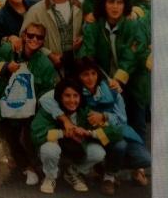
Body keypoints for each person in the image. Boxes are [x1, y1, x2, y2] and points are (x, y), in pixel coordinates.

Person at [39, 58, 151, 195]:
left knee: (144, 159)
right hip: (90, 135)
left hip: (112, 131)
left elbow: (122, 120)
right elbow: (46, 98)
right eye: (85, 74)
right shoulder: (77, 91)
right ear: (78, 76)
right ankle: (109, 176)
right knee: (116, 147)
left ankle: (108, 165)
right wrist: (65, 120)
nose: (90, 78)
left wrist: (104, 116)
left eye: (93, 73)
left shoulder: (111, 89)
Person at [0, 22, 57, 185]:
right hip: (5, 105)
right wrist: (5, 67)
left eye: (39, 37)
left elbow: (47, 92)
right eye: (30, 35)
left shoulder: (45, 64)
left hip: (31, 110)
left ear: (43, 41)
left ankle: (33, 166)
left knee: (32, 133)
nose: (34, 39)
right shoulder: (9, 50)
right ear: (24, 35)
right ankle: (22, 166)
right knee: (5, 133)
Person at [31, 79, 118, 194]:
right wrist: (63, 133)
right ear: (60, 97)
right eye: (67, 96)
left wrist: (89, 132)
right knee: (49, 149)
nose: (72, 100)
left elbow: (115, 133)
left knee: (98, 153)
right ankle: (50, 177)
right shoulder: (48, 110)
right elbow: (36, 134)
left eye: (75, 96)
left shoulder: (85, 111)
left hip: (76, 149)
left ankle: (72, 173)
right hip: (55, 147)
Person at [21, 0, 83, 76]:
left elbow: (87, 32)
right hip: (50, 69)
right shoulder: (36, 10)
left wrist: (82, 38)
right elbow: (24, 37)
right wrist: (48, 54)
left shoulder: (78, 7)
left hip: (76, 68)